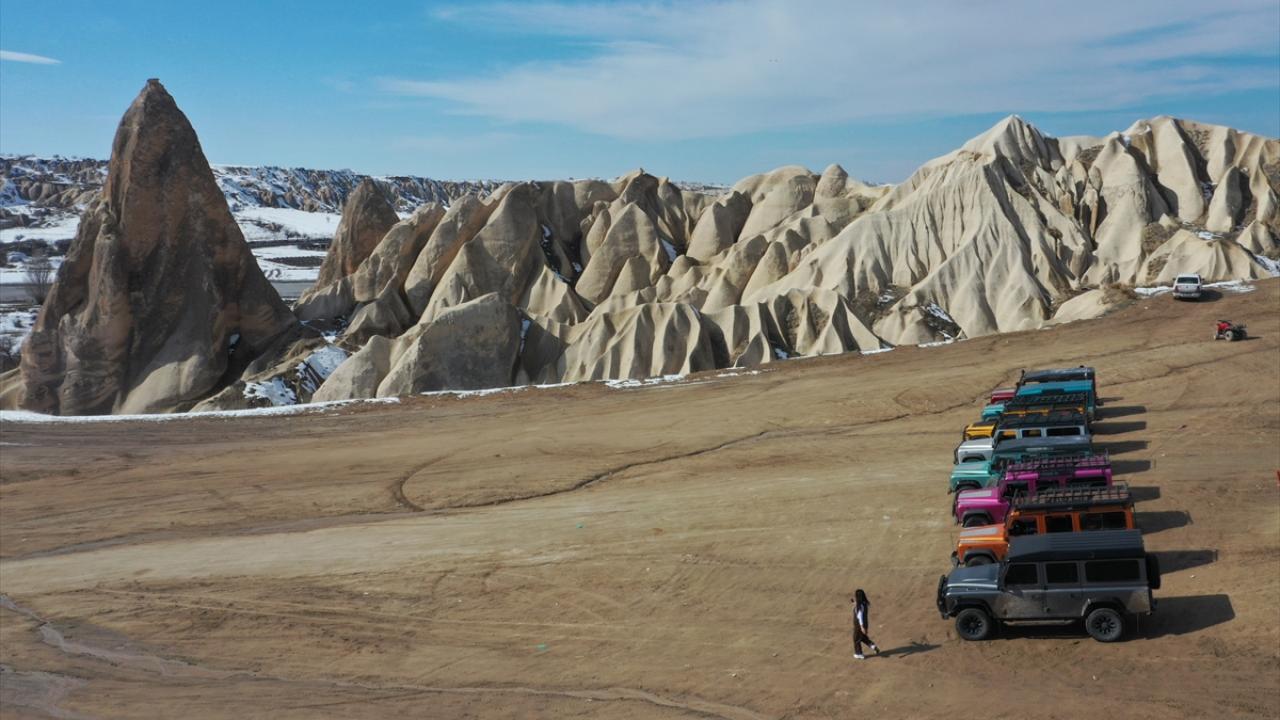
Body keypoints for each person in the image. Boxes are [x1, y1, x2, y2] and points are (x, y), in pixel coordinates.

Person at [851, 589, 880, 659]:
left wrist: (861, 627)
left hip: (859, 626)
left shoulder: (859, 606)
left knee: (856, 639)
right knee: (862, 637)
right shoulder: (864, 603)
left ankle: (859, 653)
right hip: (865, 624)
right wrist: (855, 603)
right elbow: (860, 607)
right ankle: (872, 646)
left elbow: (859, 616)